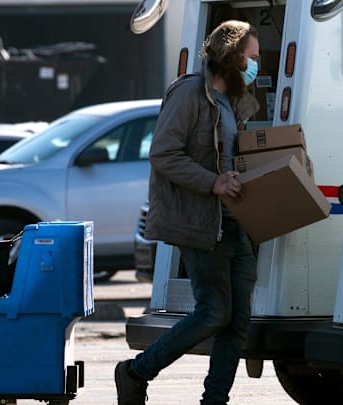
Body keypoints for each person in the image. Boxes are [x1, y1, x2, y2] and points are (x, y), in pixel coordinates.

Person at [115, 19, 260, 405]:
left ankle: (215, 400)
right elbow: (163, 153)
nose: (255, 63)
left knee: (237, 319)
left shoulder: (234, 100)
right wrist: (213, 183)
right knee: (214, 312)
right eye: (252, 56)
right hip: (199, 221)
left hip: (231, 219)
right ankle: (135, 372)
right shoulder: (191, 93)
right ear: (232, 56)